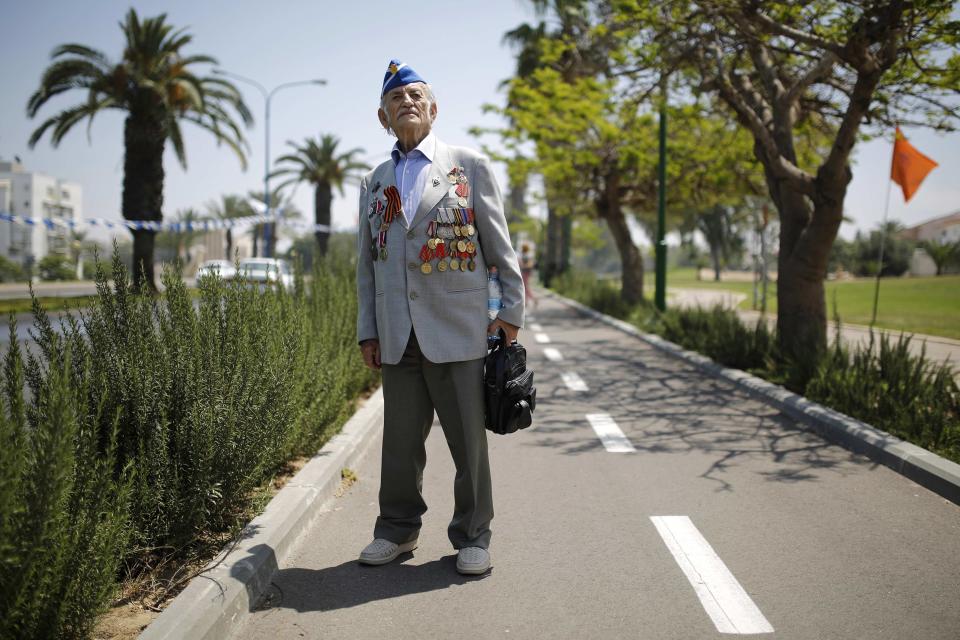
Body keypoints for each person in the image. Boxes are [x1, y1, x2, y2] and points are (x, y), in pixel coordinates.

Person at [355, 59, 524, 575]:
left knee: (467, 444)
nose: (405, 102)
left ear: (432, 107)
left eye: (415, 94)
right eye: (395, 98)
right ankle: (397, 531)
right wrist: (368, 329)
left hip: (459, 328)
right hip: (397, 332)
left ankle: (473, 535)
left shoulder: (468, 166)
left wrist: (510, 312)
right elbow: (367, 264)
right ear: (383, 117)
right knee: (400, 446)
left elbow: (499, 246)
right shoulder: (373, 181)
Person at [519, 242, 537, 309]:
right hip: (527, 272)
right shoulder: (526, 255)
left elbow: (529, 264)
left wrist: (523, 266)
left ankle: (533, 299)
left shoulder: (526, 255)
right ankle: (527, 301)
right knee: (525, 287)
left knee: (525, 287)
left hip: (525, 272)